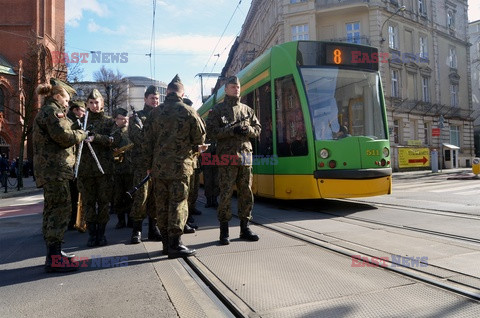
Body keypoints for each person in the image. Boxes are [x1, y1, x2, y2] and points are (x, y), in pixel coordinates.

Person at [144, 75, 206, 258]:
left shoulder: (154, 113)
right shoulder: (188, 111)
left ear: (167, 92)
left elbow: (146, 142)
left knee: (161, 204)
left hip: (159, 168)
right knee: (178, 204)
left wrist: (149, 166)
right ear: (182, 93)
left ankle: (165, 244)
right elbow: (200, 138)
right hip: (180, 168)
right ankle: (175, 244)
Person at [32, 78, 88, 272]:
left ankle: (54, 253)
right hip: (55, 171)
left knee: (52, 210)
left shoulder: (47, 112)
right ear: (57, 96)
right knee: (60, 211)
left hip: (52, 171)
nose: (68, 103)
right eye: (66, 99)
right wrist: (81, 134)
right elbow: (64, 138)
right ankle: (54, 259)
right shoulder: (53, 112)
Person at [206, 75, 261, 245]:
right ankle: (224, 231)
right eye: (232, 87)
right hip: (227, 157)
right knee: (226, 193)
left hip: (245, 156)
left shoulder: (247, 110)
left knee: (246, 192)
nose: (236, 89)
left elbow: (258, 129)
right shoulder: (217, 110)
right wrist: (231, 131)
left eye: (237, 87)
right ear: (226, 89)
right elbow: (211, 133)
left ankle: (245, 227)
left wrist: (248, 130)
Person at [77, 89, 115, 247]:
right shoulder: (81, 121)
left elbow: (114, 139)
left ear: (102, 103)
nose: (94, 105)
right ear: (87, 104)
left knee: (104, 202)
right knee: (89, 203)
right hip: (85, 171)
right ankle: (92, 234)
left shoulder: (108, 122)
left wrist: (96, 138)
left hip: (103, 169)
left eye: (97, 102)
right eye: (91, 103)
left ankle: (101, 233)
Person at [128, 85, 162, 244]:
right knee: (141, 197)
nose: (155, 101)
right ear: (145, 99)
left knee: (156, 197)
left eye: (157, 98)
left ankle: (153, 229)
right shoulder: (137, 117)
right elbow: (137, 137)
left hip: (159, 163)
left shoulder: (162, 116)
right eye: (152, 98)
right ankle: (137, 230)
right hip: (142, 163)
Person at [111, 107, 133, 229]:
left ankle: (130, 219)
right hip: (117, 169)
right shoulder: (112, 132)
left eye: (126, 118)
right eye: (121, 118)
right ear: (116, 119)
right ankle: (120, 220)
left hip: (130, 169)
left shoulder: (131, 132)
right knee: (118, 196)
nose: (124, 121)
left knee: (130, 195)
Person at [66, 100, 86, 230]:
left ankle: (74, 220)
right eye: (82, 111)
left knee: (74, 194)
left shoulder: (76, 121)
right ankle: (74, 221)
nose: (84, 113)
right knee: (74, 194)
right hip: (73, 164)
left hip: (74, 163)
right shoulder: (71, 122)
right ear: (75, 110)